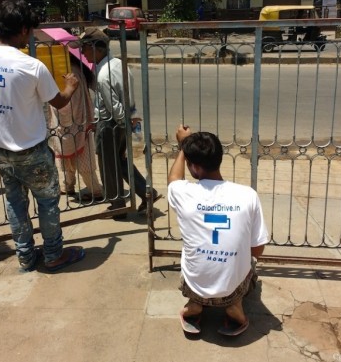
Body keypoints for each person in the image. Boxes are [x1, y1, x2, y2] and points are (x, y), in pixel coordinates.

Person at [0, 0, 84, 273]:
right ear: (22, 29)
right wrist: (71, 86)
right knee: (48, 203)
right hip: (32, 150)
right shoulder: (31, 66)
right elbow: (59, 102)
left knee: (15, 203)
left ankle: (26, 256)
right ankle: (53, 255)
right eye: (29, 31)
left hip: (1, 151)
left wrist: (0, 102)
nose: (29, 36)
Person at [167, 124, 269, 336]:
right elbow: (257, 249)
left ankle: (195, 304)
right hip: (233, 289)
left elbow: (173, 179)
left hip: (195, 286)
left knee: (189, 254)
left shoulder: (183, 193)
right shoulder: (247, 195)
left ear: (195, 168)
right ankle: (234, 306)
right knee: (249, 261)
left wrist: (183, 145)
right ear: (219, 158)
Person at [71, 27, 162, 220]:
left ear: (96, 48)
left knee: (108, 166)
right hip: (122, 123)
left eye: (84, 48)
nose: (83, 53)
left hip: (110, 125)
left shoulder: (104, 74)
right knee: (120, 162)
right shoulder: (119, 65)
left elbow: (114, 107)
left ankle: (117, 205)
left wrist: (122, 122)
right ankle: (147, 192)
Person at [47, 47, 103, 202]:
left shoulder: (66, 72)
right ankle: (69, 186)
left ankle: (95, 190)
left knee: (80, 161)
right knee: (71, 159)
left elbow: (65, 103)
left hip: (72, 123)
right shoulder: (77, 69)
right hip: (78, 122)